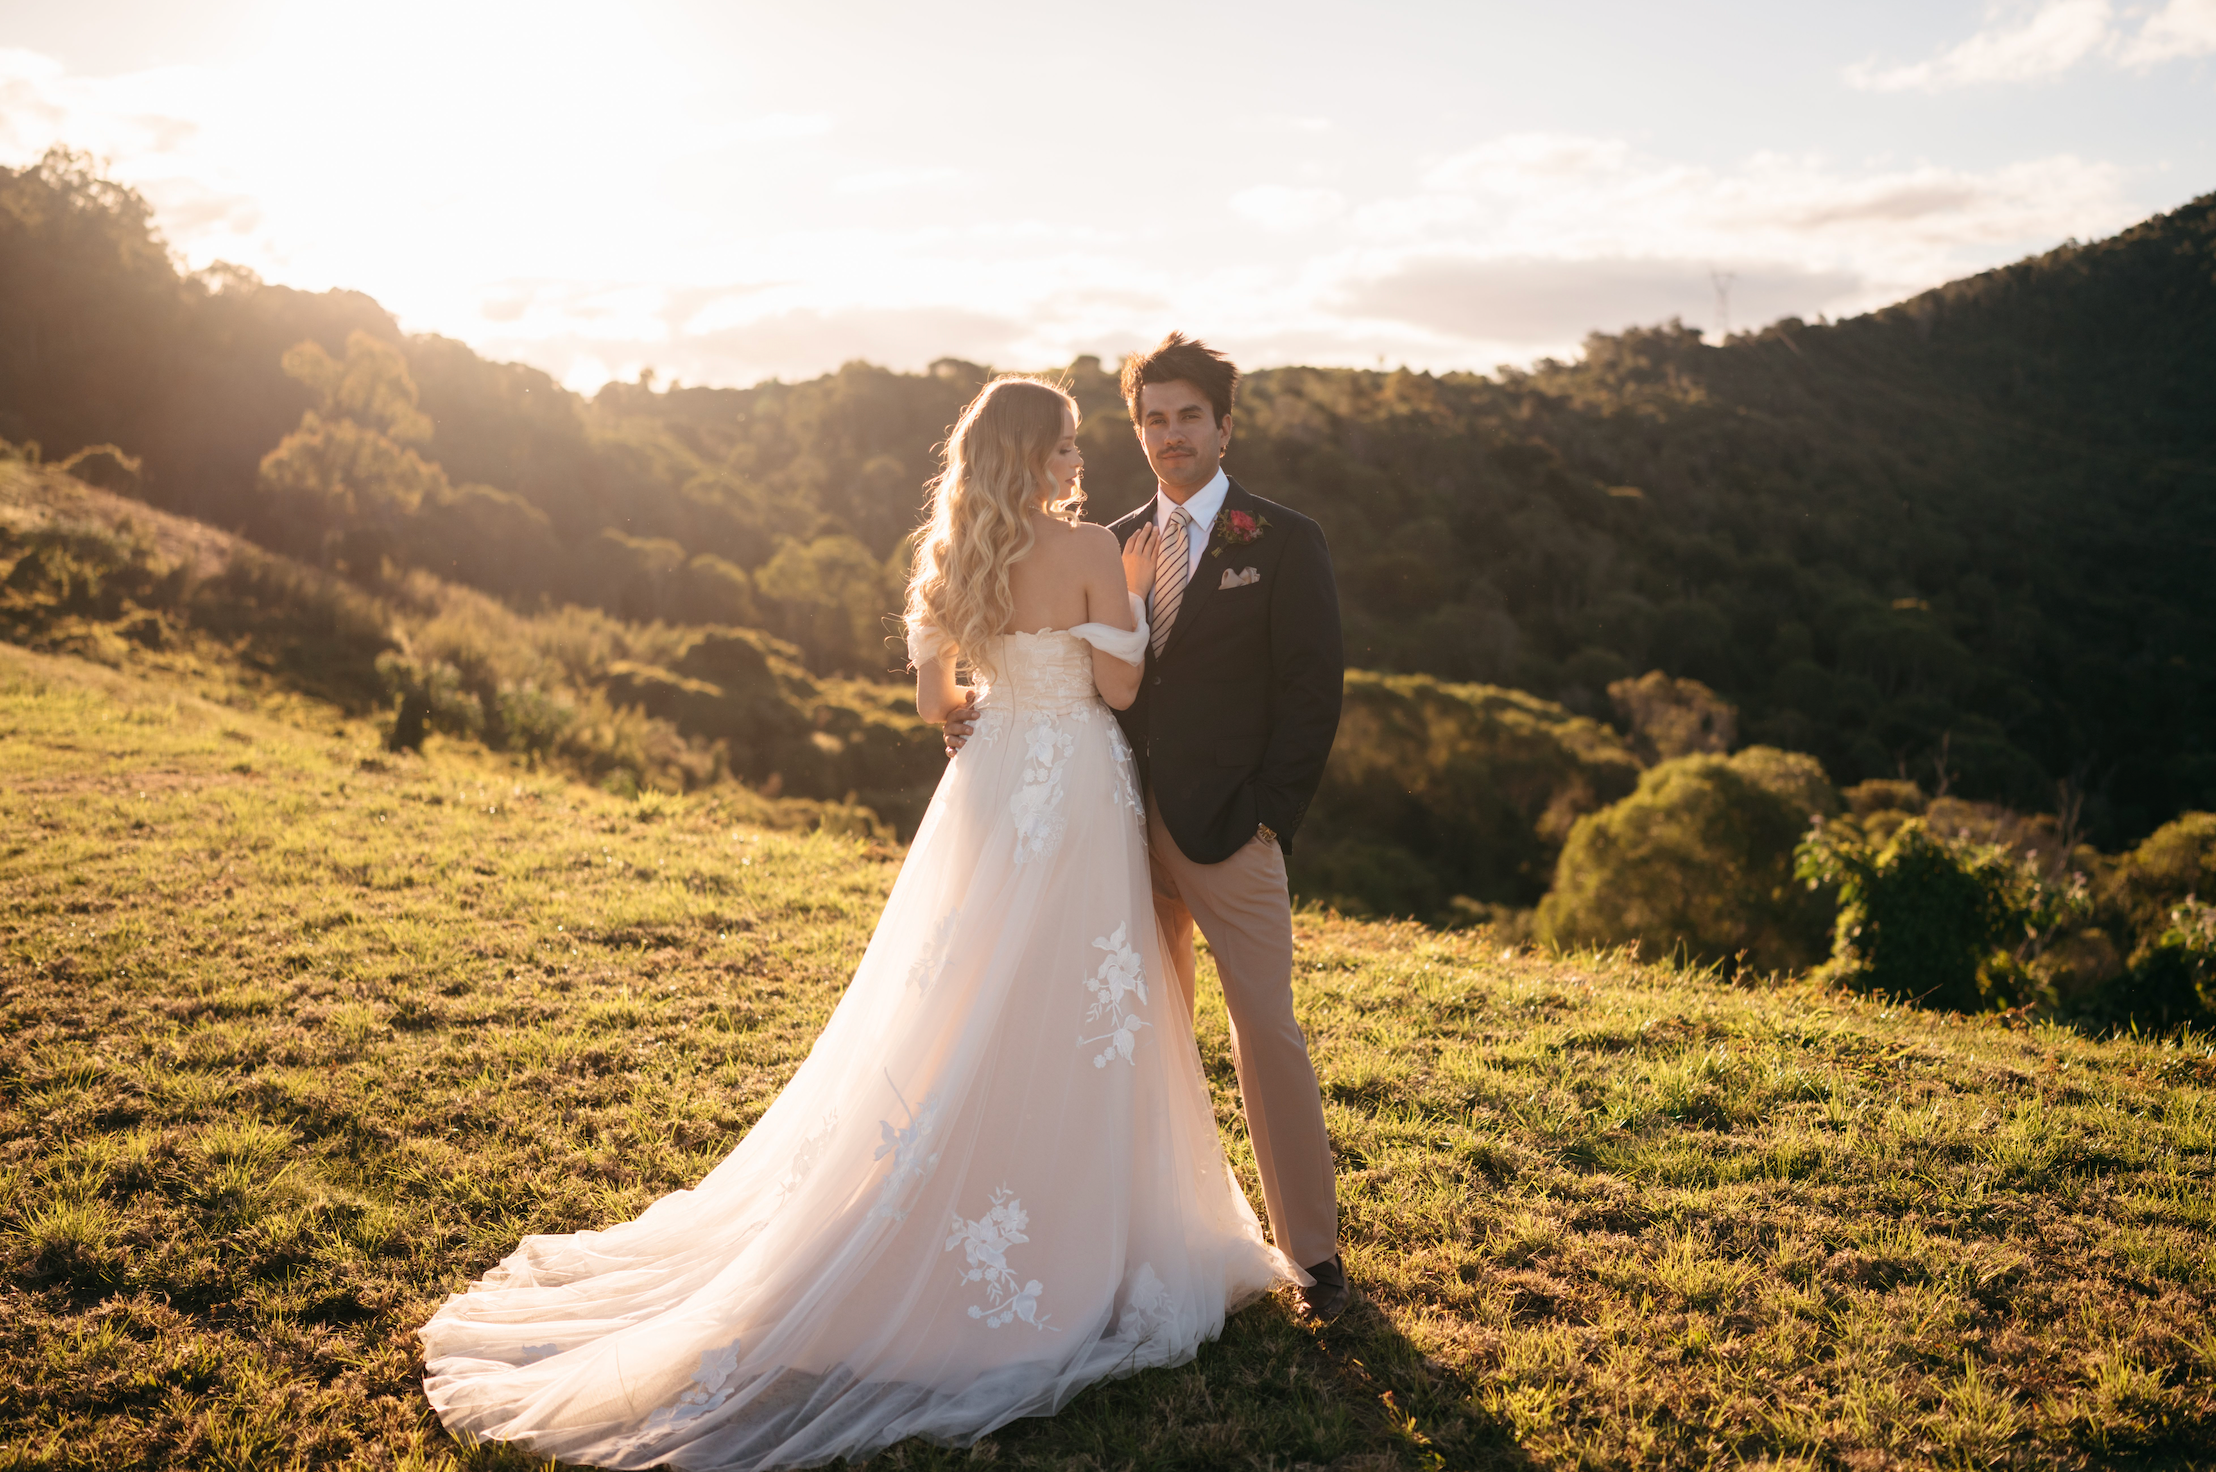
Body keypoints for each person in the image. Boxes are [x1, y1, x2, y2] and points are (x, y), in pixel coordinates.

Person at [418, 376, 1297, 1471]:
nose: (1080, 460)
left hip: (984, 791)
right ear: (1032, 455)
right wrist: (1099, 637)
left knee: (961, 996)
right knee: (1076, 1004)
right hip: (1070, 788)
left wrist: (998, 703)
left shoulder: (945, 557)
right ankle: (1086, 1230)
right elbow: (1121, 693)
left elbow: (935, 705)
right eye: (1068, 444)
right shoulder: (1083, 555)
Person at [948, 332, 1347, 1321]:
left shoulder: (1282, 540)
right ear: (1136, 428)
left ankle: (1314, 1257)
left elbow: (1311, 694)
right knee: (1137, 1041)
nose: (1168, 434)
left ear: (1222, 424)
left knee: (1266, 1030)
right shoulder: (1101, 537)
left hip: (1229, 831)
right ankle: (1147, 1236)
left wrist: (1268, 819)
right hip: (1109, 827)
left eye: (1186, 416)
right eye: (1151, 418)